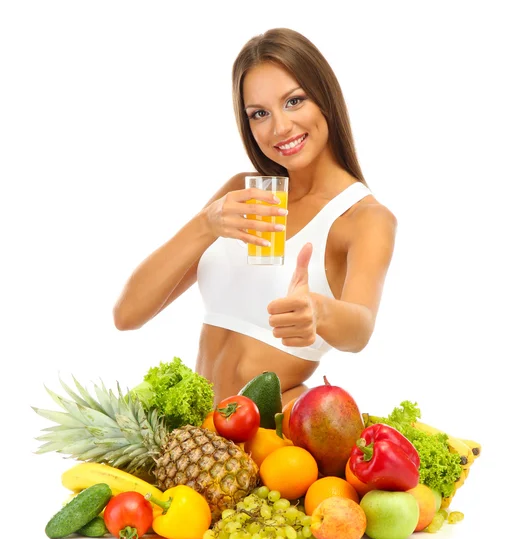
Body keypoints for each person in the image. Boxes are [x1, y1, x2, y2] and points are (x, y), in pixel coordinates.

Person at [113, 28, 397, 407]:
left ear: (325, 98)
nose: (279, 127)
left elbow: (360, 328)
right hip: (199, 435)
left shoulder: (363, 218)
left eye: (294, 101)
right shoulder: (244, 193)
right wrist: (205, 224)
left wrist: (319, 309)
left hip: (273, 439)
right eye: (259, 113)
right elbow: (127, 314)